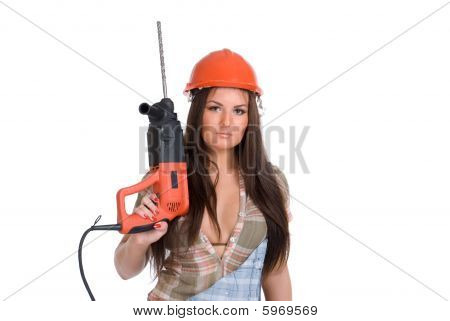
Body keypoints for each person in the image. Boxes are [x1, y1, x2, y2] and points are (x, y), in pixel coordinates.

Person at [114, 48, 293, 300]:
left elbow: (275, 270)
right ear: (198, 111)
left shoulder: (272, 184)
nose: (227, 122)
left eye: (239, 111)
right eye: (215, 108)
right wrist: (140, 240)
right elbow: (124, 270)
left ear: (250, 117)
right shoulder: (166, 179)